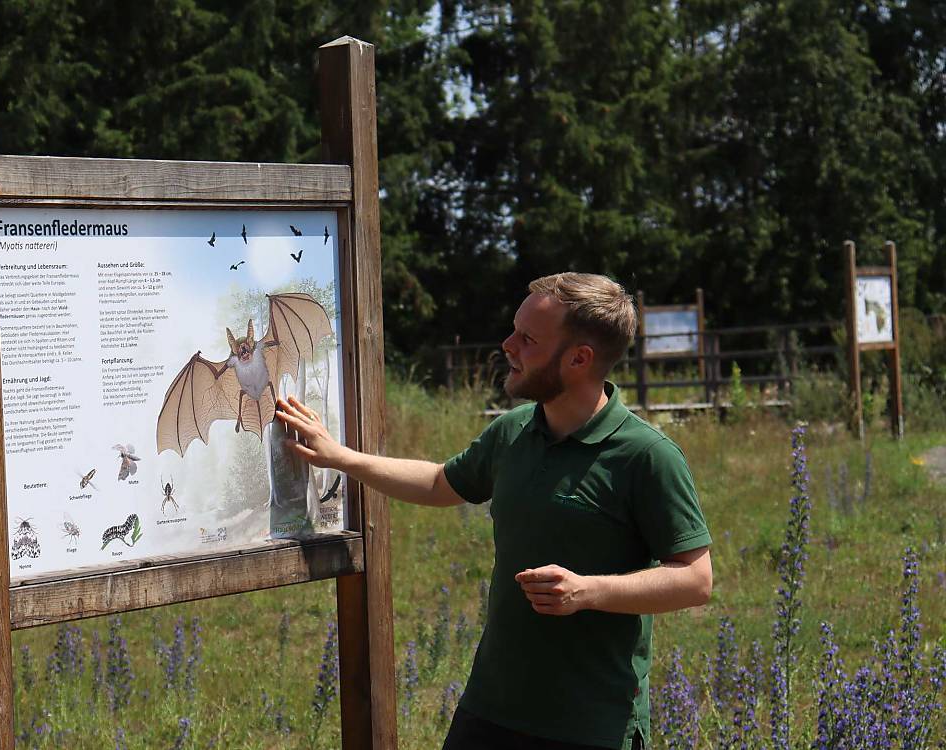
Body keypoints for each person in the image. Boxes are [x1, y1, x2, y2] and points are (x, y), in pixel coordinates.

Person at [274, 272, 712, 750]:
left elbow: (694, 579)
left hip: (591, 724)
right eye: (514, 330)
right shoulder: (514, 432)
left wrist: (589, 591)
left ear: (579, 359)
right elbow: (443, 483)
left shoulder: (647, 456)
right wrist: (340, 456)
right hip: (491, 708)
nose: (508, 345)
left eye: (528, 339)